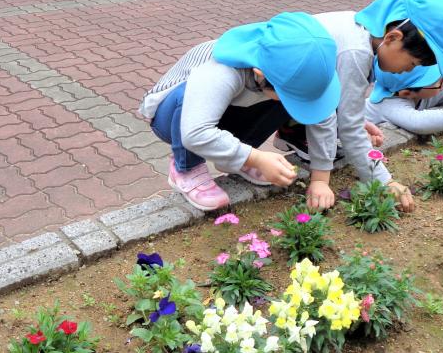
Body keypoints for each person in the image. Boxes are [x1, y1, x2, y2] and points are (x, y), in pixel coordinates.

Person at [280, 0, 443, 213]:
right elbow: (347, 126)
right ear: (393, 37)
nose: (408, 71)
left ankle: (292, 132)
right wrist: (383, 181)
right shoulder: (356, 53)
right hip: (249, 97)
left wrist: (352, 121)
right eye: (413, 63)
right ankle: (246, 152)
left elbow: (339, 106)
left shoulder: (357, 30)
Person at [138, 13, 341, 211]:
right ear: (260, 74)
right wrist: (257, 159)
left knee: (288, 100)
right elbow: (195, 133)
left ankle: (237, 157)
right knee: (188, 98)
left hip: (226, 108)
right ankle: (186, 167)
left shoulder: (301, 70)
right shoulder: (220, 71)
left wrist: (321, 179)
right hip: (173, 117)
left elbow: (322, 114)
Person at [365, 75, 443, 136]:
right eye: (438, 80)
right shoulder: (387, 103)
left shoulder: (435, 86)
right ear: (406, 93)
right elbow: (418, 122)